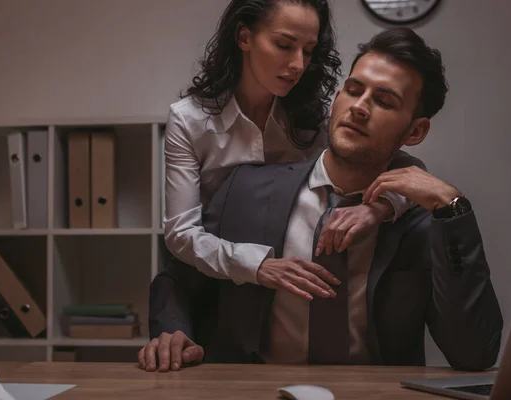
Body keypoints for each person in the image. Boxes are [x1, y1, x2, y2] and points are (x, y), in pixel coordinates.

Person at [141, 27, 503, 372]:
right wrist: (174, 332)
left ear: (416, 131)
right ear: (335, 102)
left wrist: (454, 205)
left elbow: (474, 353)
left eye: (384, 101)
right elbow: (176, 280)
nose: (360, 107)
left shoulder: (423, 223)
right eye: (353, 89)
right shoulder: (245, 189)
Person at [163, 0, 425, 302]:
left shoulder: (313, 119)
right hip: (215, 285)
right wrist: (259, 265)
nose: (299, 64)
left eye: (308, 51)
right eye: (284, 45)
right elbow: (180, 234)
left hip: (297, 288)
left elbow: (410, 172)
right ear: (244, 37)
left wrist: (377, 208)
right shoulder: (189, 120)